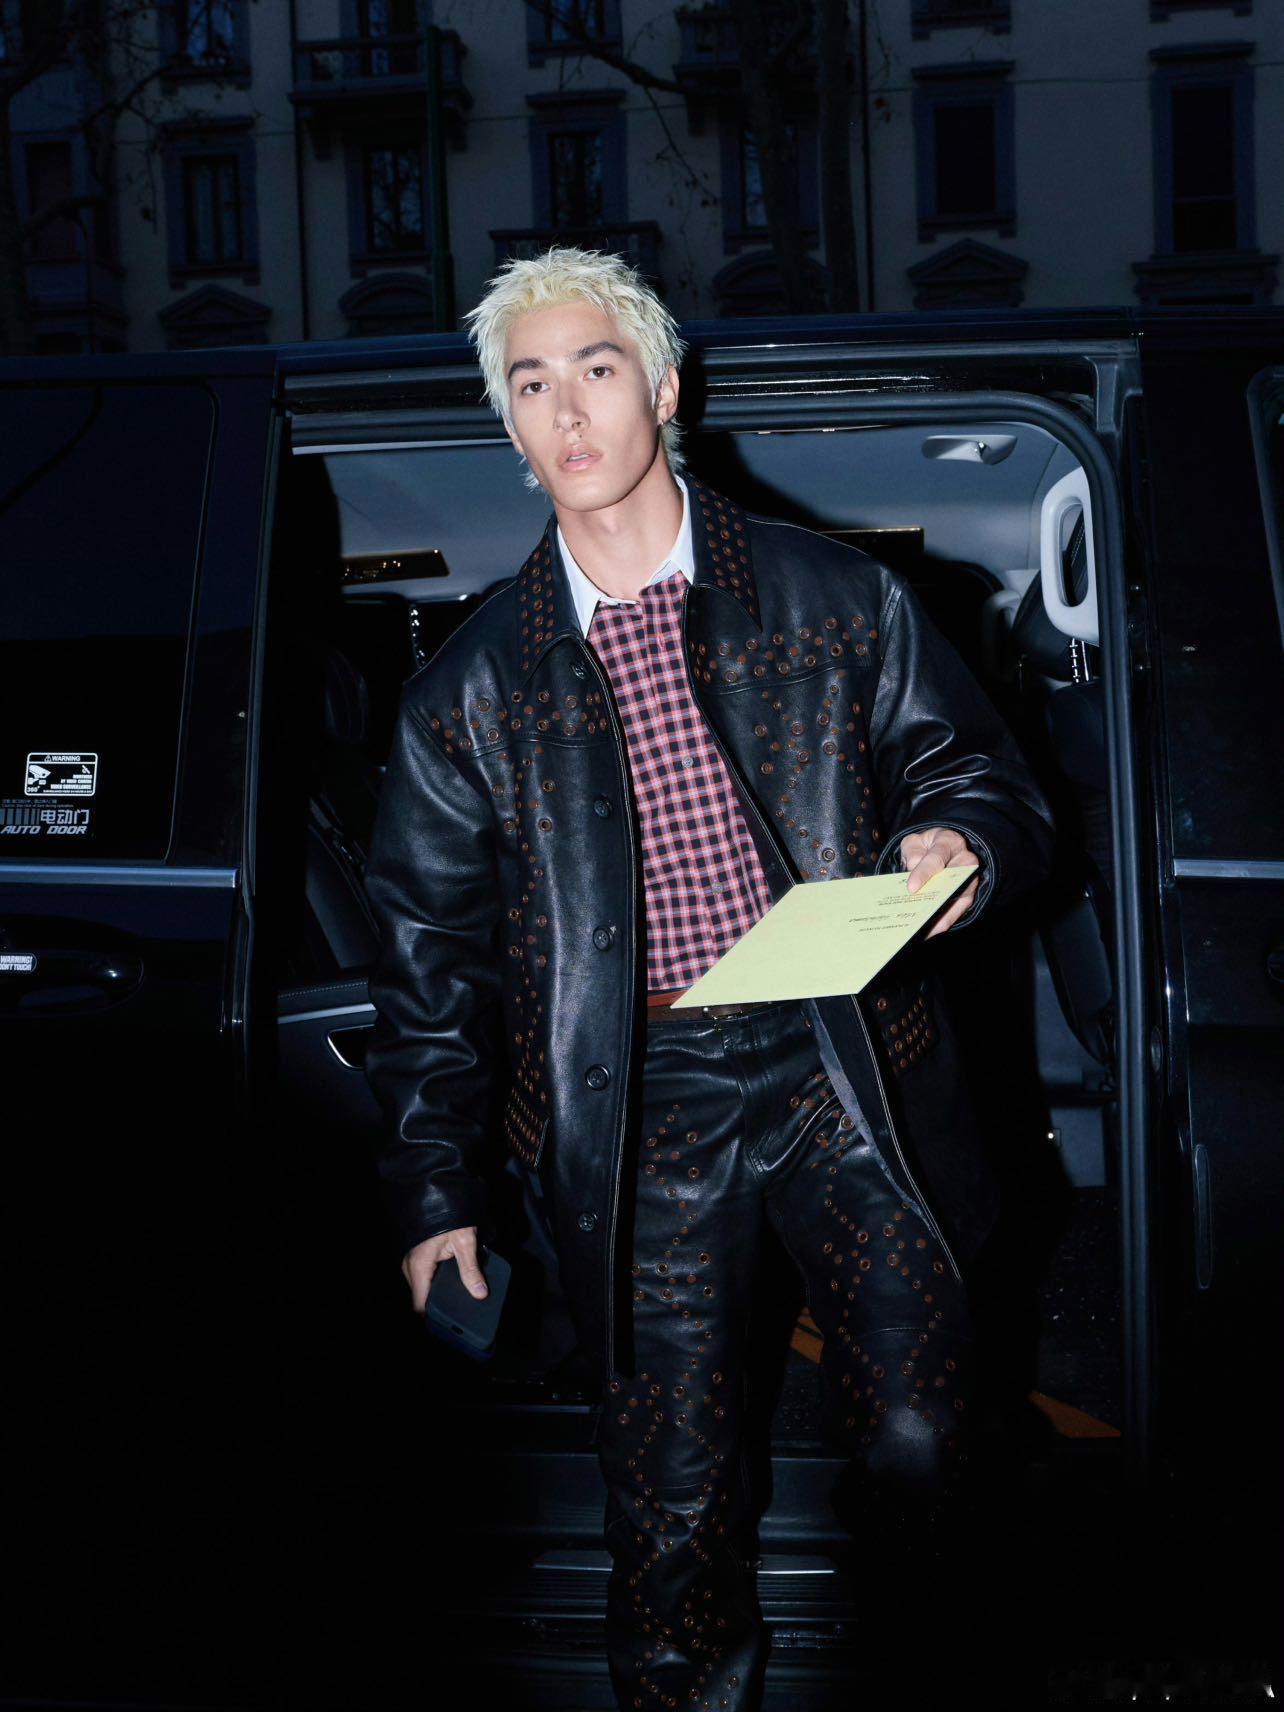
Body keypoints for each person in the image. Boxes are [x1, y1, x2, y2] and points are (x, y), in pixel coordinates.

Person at [362, 246, 1056, 1710]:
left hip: (841, 1059)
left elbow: (978, 774)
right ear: (508, 423)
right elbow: (427, 972)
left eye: (596, 367)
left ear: (666, 389)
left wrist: (956, 842)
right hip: (638, 1106)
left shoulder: (833, 595)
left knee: (929, 1446)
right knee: (671, 1507)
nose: (567, 410)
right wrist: (435, 1193)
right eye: (530, 384)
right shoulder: (466, 695)